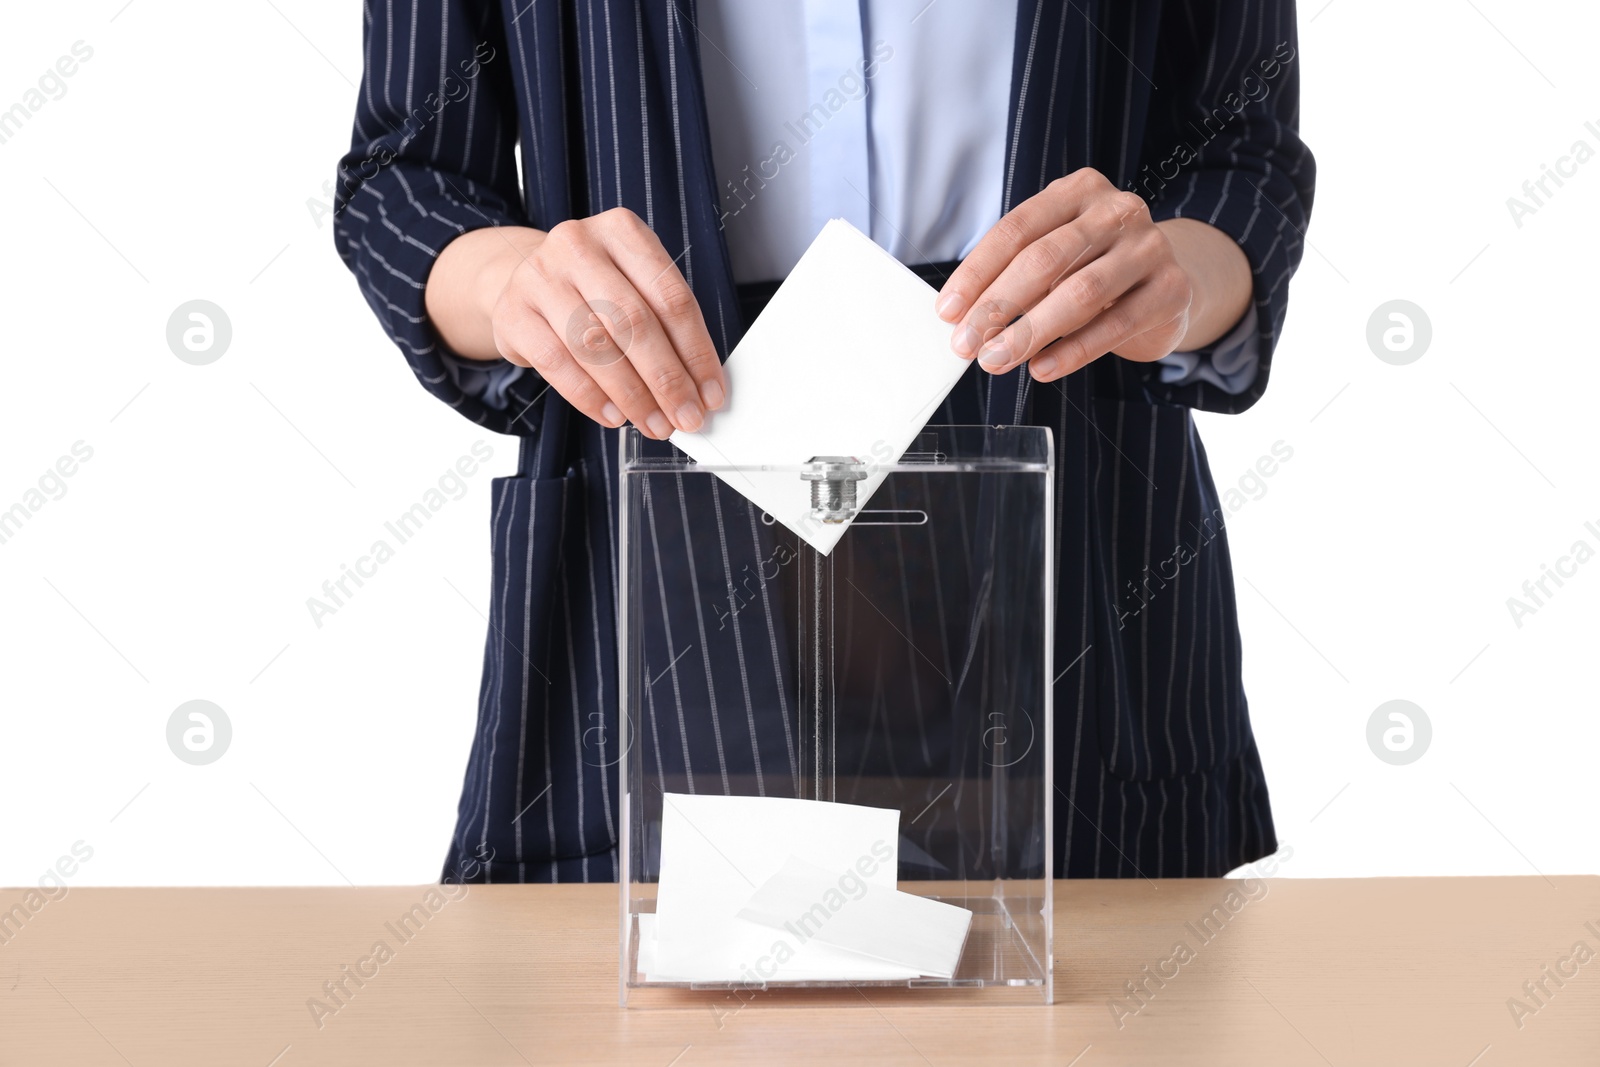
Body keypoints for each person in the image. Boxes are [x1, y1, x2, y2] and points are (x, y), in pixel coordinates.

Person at [333, 0, 1314, 884]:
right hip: (663, 457)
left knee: (1081, 1000)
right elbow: (402, 175)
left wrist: (1173, 280)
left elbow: (1243, 153)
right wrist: (520, 285)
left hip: (1060, 475)